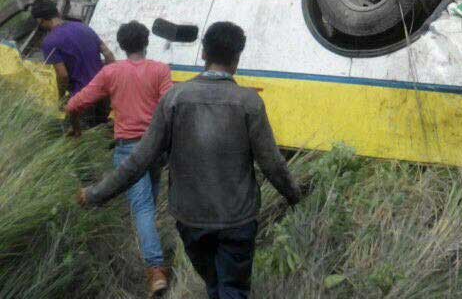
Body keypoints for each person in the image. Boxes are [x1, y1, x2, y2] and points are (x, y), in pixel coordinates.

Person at [78, 21, 301, 299]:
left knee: (214, 284)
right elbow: (273, 164)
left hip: (191, 219)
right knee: (232, 288)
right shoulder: (249, 102)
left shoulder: (175, 98)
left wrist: (96, 194)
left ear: (204, 54)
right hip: (237, 219)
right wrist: (294, 195)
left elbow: (139, 160)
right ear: (237, 59)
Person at [67, 21, 173, 296]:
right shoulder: (161, 71)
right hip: (155, 148)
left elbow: (75, 104)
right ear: (146, 42)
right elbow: (169, 108)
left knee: (142, 208)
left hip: (128, 149)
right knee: (148, 202)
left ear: (122, 45)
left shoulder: (111, 72)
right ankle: (153, 253)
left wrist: (75, 127)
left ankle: (155, 269)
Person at [30, 0, 115, 128]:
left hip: (82, 98)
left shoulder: (49, 41)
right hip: (103, 93)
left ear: (41, 21)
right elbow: (108, 54)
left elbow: (63, 75)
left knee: (83, 139)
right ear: (57, 13)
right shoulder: (84, 27)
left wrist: (62, 98)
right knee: (105, 133)